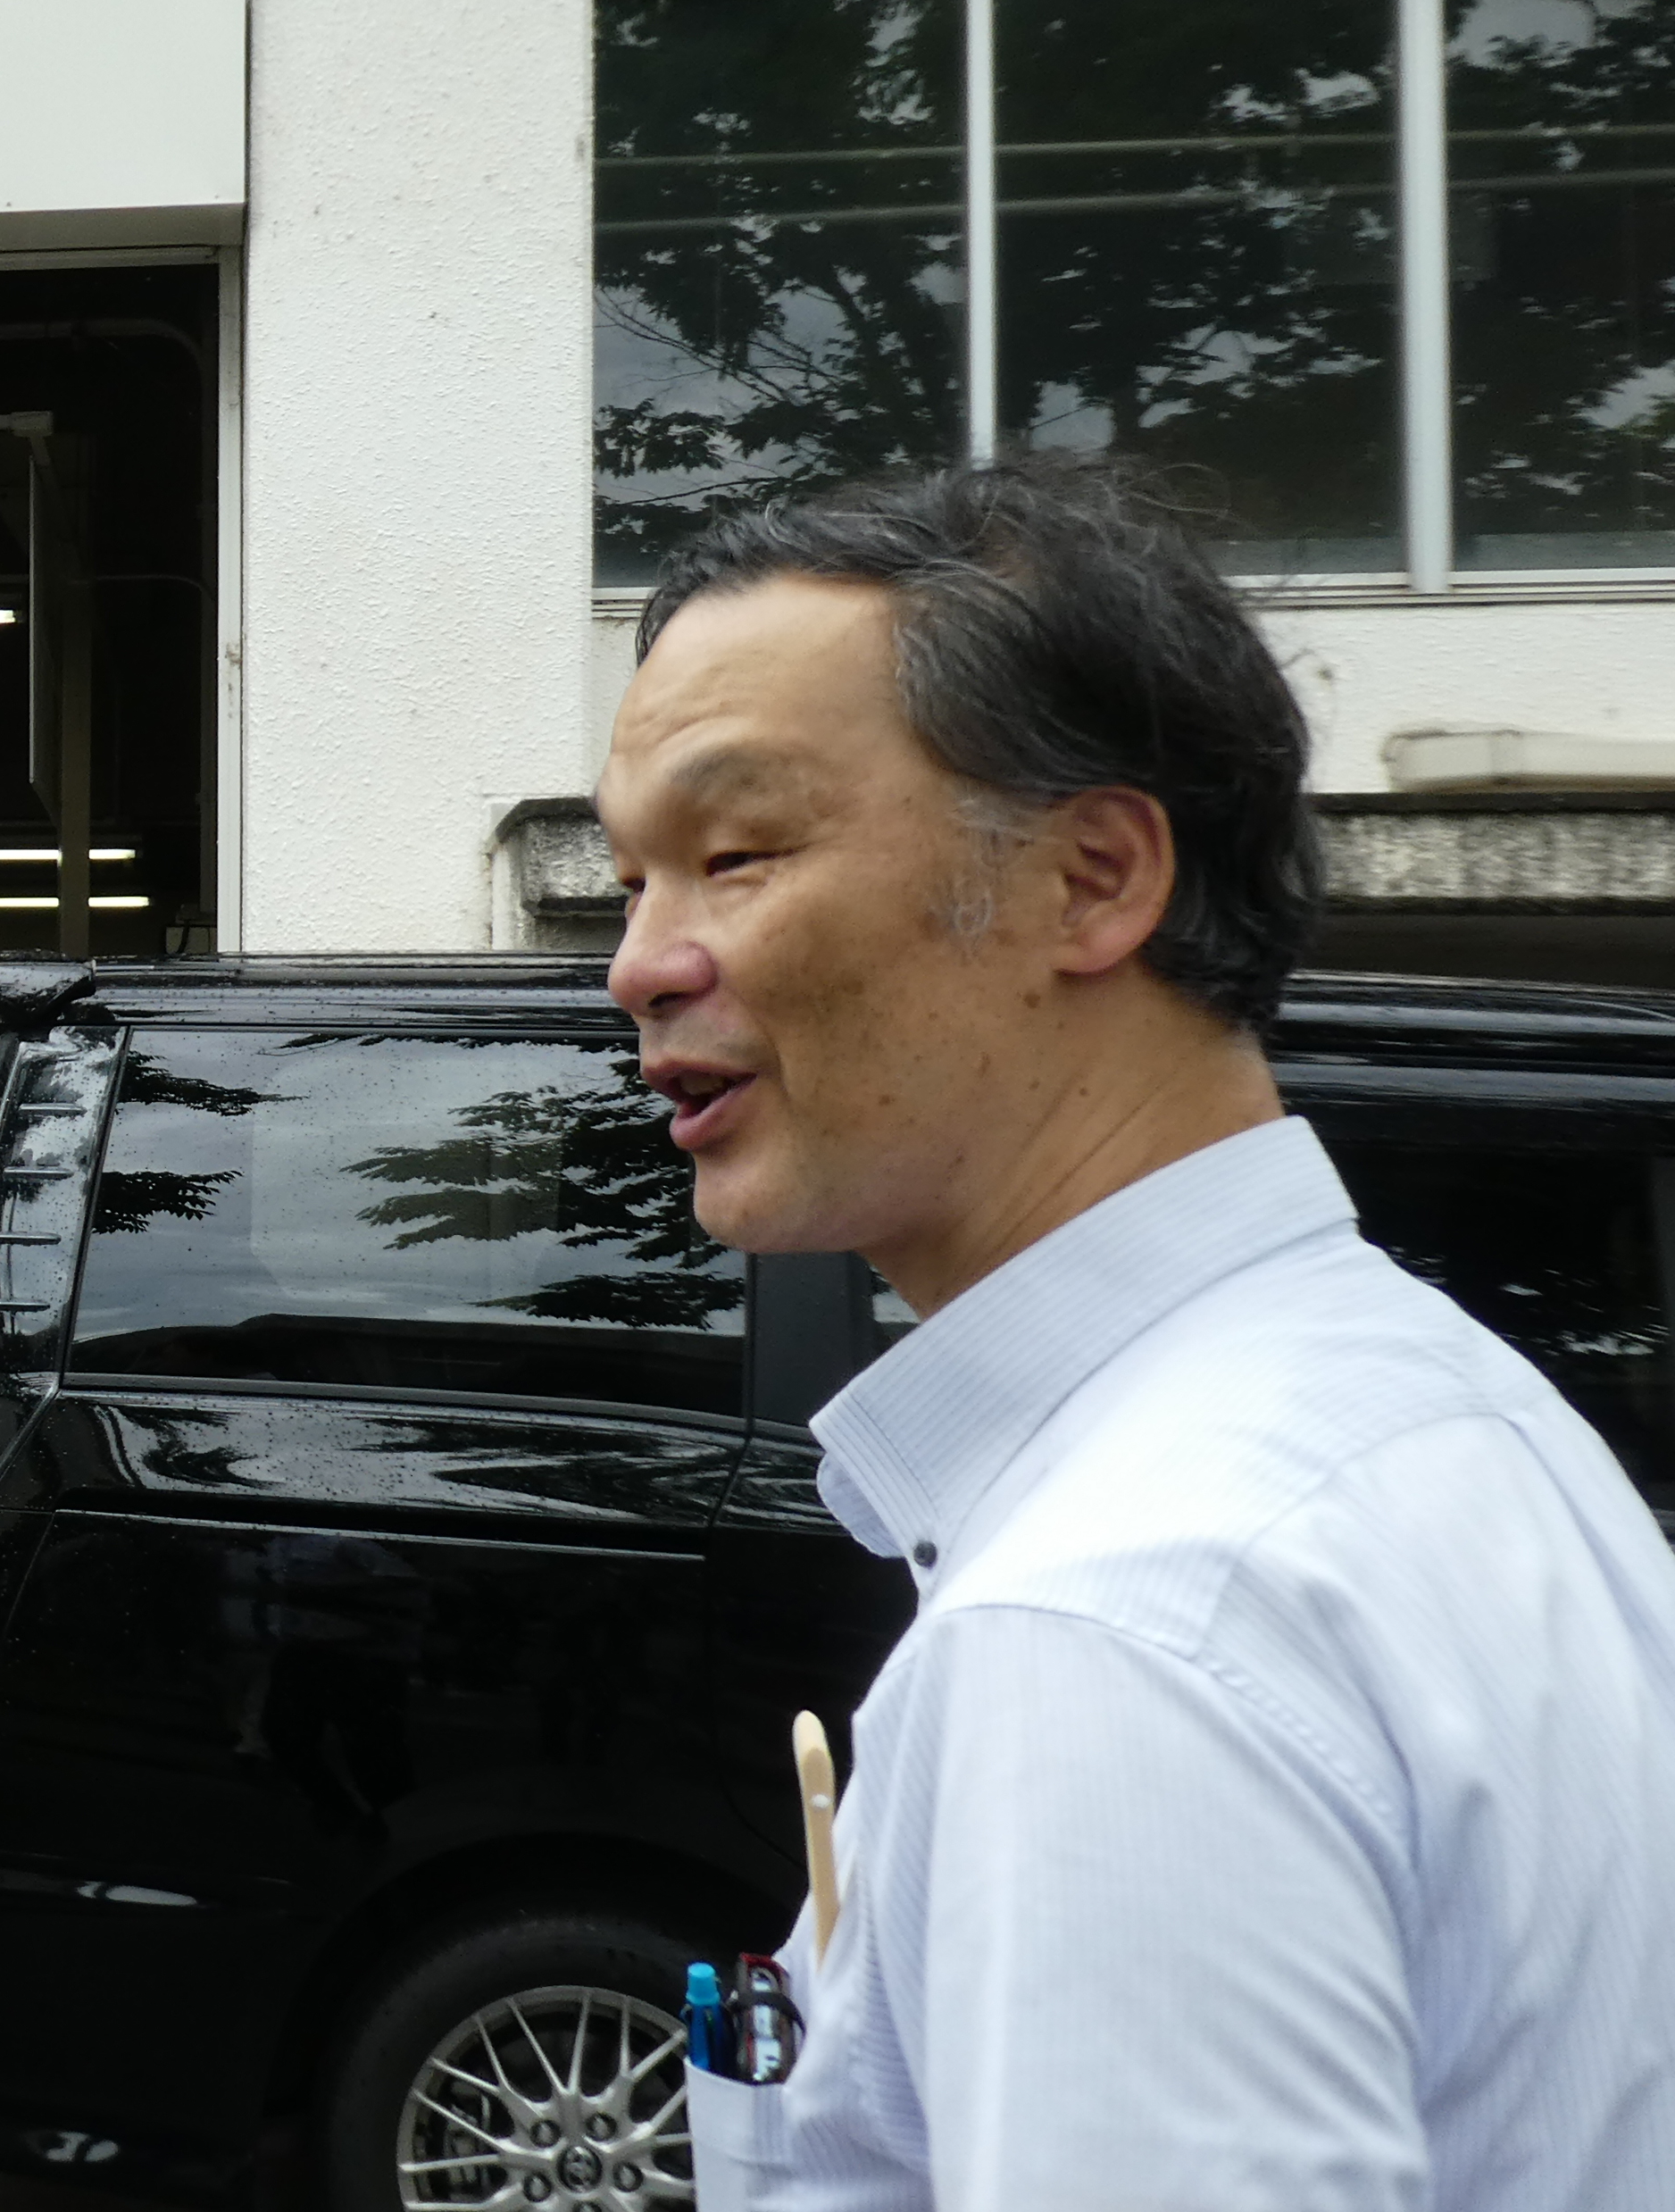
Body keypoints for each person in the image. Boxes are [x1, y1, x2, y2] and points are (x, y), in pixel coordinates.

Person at [599, 460, 1675, 2206]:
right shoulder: (1465, 1423)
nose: (640, 961)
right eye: (629, 876)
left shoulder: (1121, 1612)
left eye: (733, 854)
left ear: (1093, 876)